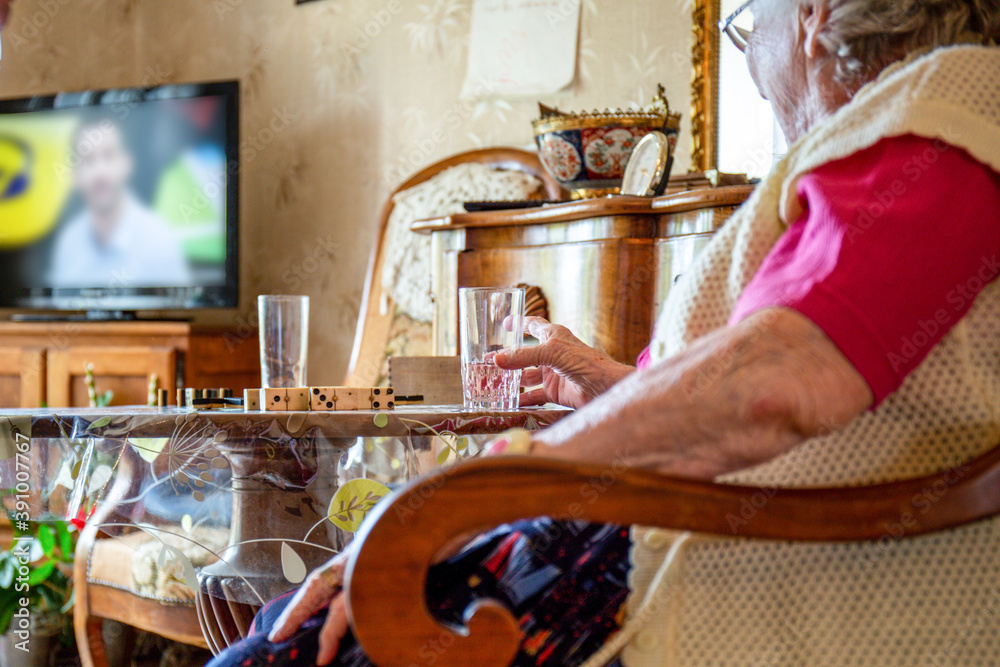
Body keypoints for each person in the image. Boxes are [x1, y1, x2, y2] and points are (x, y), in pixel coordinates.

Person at [210, 1, 1000, 665]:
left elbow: (780, 384)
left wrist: (466, 498)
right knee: (281, 626)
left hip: (675, 576)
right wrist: (609, 382)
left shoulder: (946, 107)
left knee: (280, 647)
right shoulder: (911, 130)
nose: (754, 70)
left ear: (813, 16)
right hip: (669, 541)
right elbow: (816, 396)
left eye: (747, 21)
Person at [48, 113, 191, 288]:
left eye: (108, 155)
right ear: (74, 175)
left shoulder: (159, 241)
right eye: (88, 160)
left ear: (127, 163)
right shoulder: (68, 243)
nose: (99, 172)